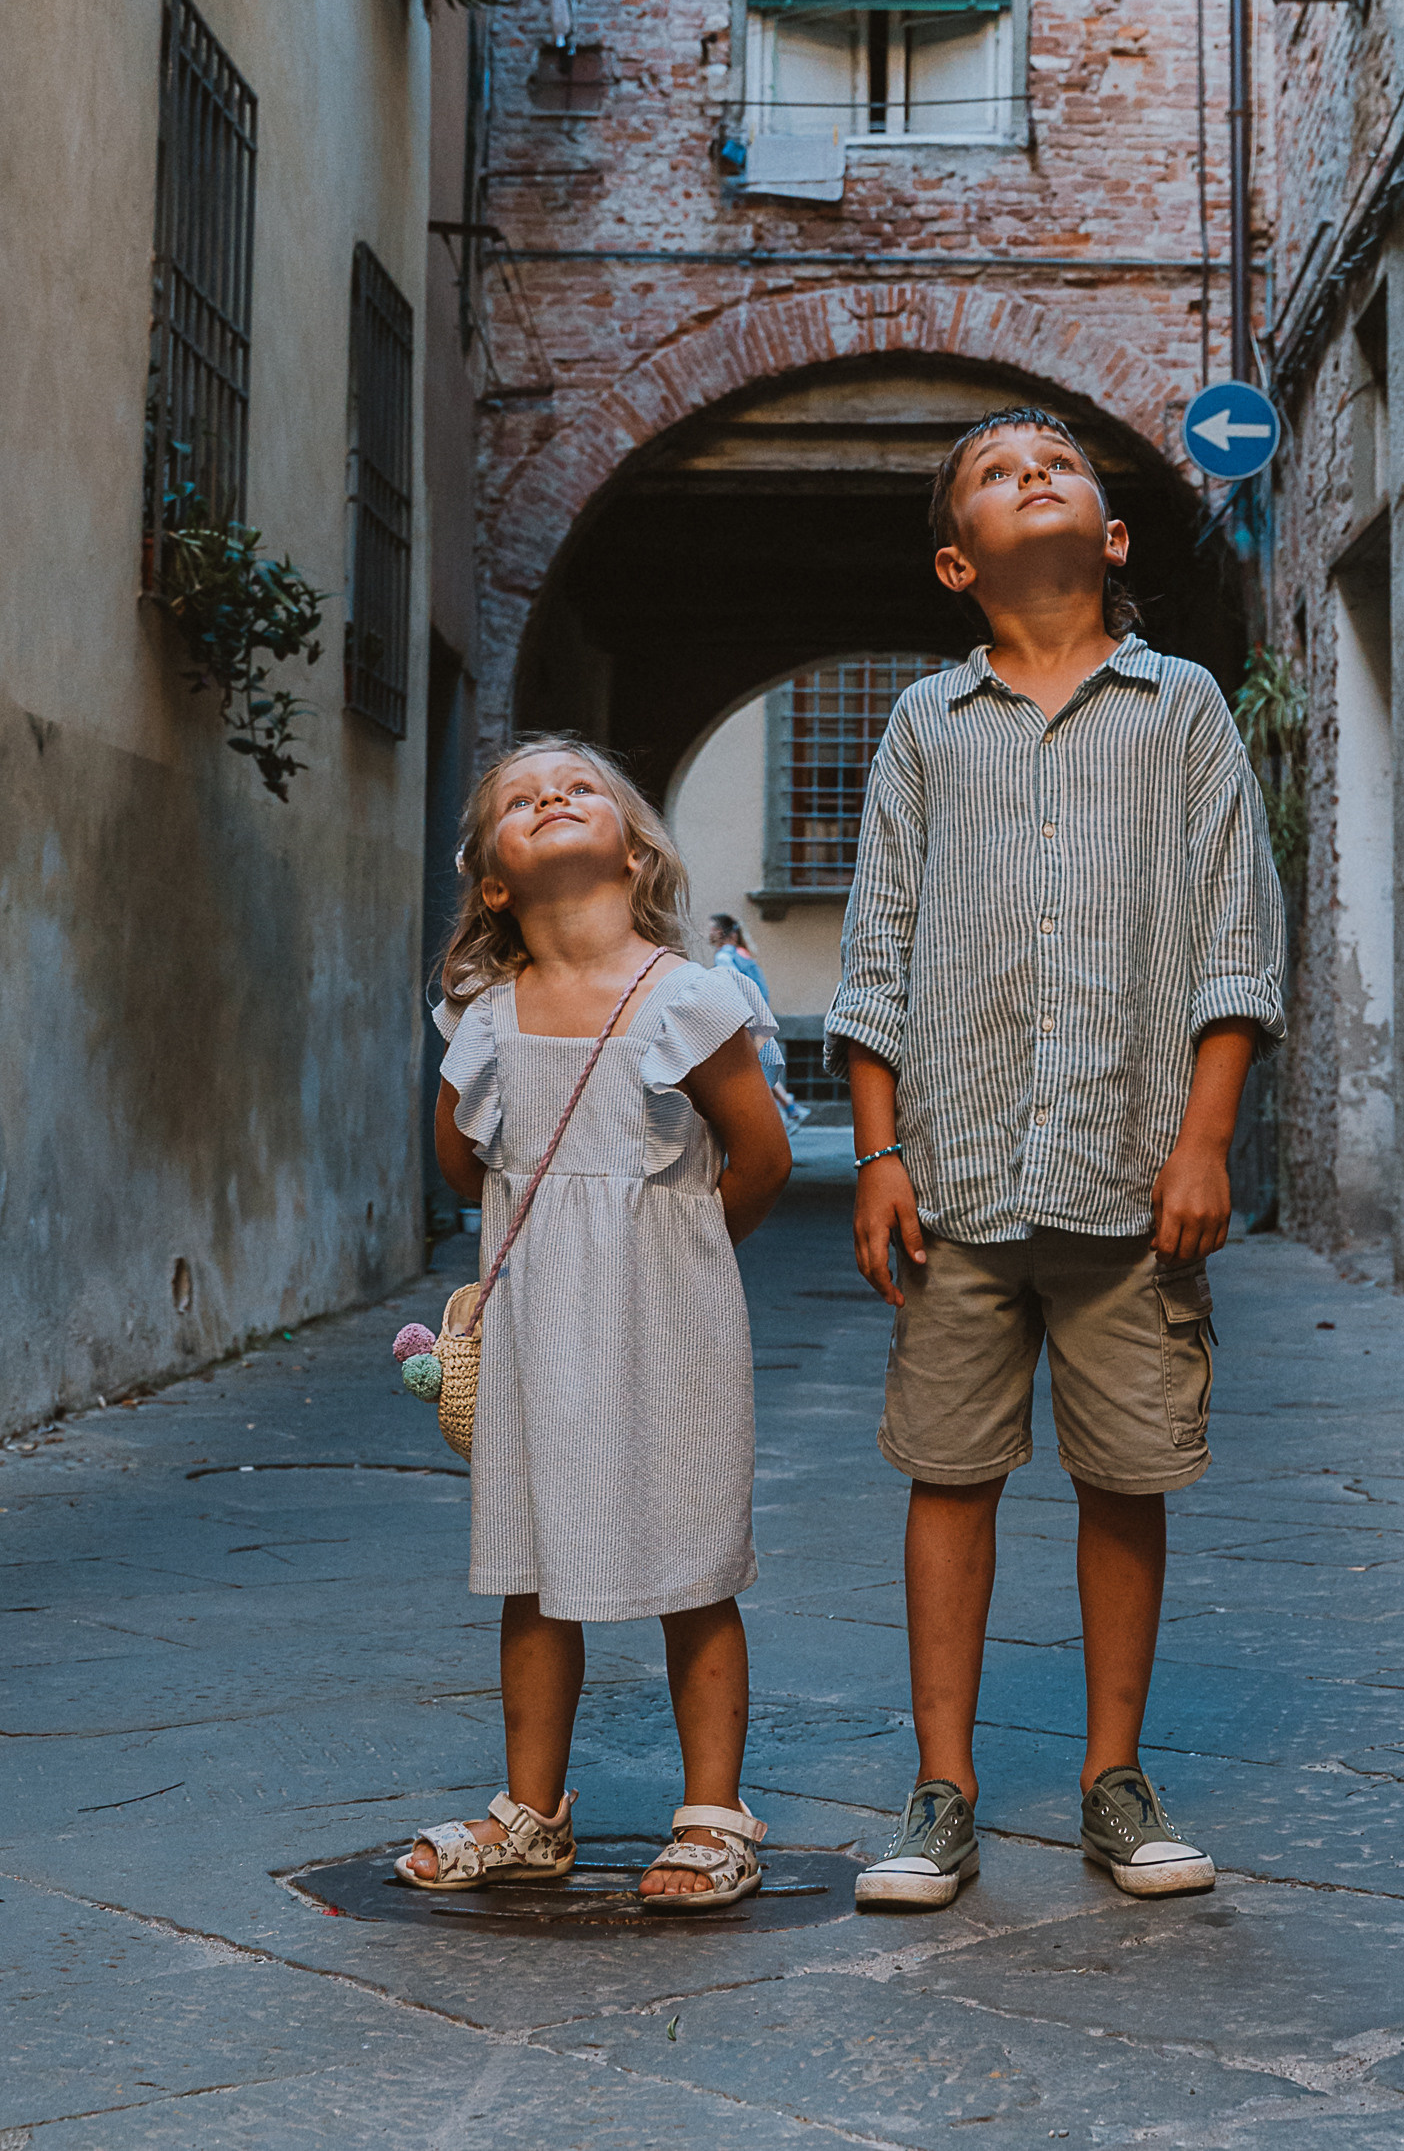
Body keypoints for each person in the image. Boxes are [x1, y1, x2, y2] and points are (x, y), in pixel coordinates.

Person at [829, 409, 1285, 1911]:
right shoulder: (923, 727)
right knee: (950, 1480)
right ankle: (942, 1792)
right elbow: (877, 949)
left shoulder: (1186, 709)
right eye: (994, 472)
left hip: (1129, 1174)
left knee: (1125, 1476)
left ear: (1114, 537)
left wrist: (1206, 1137)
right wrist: (880, 1151)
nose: (1037, 474)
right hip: (955, 1177)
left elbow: (1236, 934)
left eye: (1064, 467)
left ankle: (1114, 1779)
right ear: (960, 560)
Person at [399, 738, 791, 1908]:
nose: (551, 798)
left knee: (690, 1563)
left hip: (669, 1319)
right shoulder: (483, 1012)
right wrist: (563, 1229)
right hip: (532, 1328)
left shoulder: (689, 999)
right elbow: (465, 1167)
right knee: (531, 1564)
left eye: (577, 790)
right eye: (520, 801)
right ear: (493, 884)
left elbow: (760, 1160)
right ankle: (532, 1810)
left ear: (633, 850)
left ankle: (713, 1813)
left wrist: (661, 1254)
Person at [710, 912, 809, 1127]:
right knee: (759, 1066)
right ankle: (789, 1110)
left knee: (753, 1069)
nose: (707, 933)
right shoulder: (742, 953)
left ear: (721, 932)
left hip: (743, 1020)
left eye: (711, 928)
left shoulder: (724, 956)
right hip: (759, 1016)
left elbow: (732, 988)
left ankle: (783, 1114)